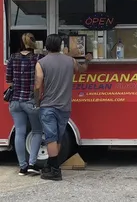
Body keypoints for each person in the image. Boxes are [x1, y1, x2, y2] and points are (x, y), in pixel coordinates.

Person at [34, 34, 92, 181]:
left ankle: (55, 170)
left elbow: (38, 84)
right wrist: (87, 59)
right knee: (58, 138)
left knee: (50, 138)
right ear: (60, 45)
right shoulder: (70, 61)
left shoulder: (41, 63)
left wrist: (37, 101)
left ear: (47, 45)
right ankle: (50, 165)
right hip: (65, 106)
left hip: (48, 105)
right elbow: (82, 69)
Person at [6, 33, 45, 176]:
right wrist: (36, 100)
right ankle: (32, 164)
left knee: (20, 133)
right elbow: (38, 82)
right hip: (30, 101)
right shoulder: (38, 58)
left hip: (15, 101)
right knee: (37, 131)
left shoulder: (12, 58)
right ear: (34, 43)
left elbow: (9, 81)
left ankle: (22, 167)